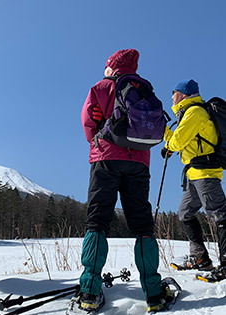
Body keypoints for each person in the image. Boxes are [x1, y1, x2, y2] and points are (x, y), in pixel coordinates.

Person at [77, 49, 173, 313]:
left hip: (105, 159)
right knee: (142, 224)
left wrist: (98, 143)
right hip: (139, 162)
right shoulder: (144, 89)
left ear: (112, 67)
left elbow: (88, 121)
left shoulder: (101, 87)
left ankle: (89, 291)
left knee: (98, 220)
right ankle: (153, 293)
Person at [162, 79, 226, 280]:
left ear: (183, 94)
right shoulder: (188, 114)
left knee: (220, 215)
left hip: (206, 172)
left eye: (174, 93)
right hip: (193, 174)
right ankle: (200, 258)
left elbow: (178, 141)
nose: (172, 97)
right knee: (185, 213)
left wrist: (167, 139)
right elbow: (181, 141)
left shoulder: (194, 113)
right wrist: (170, 143)